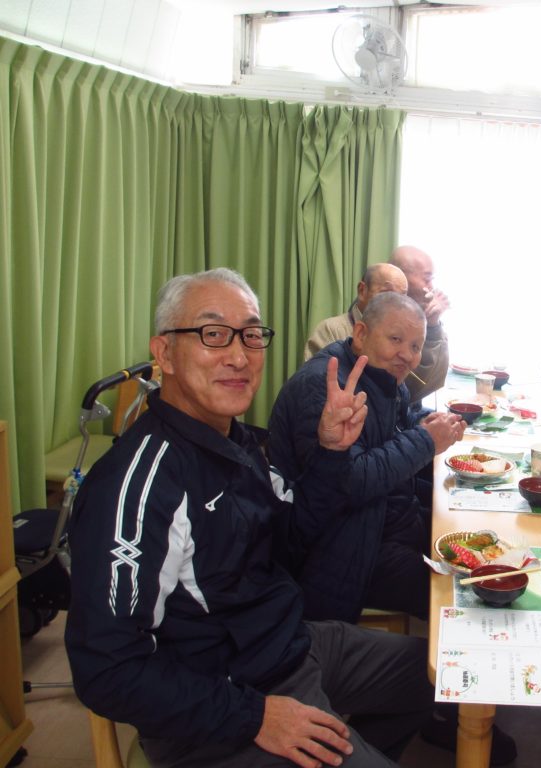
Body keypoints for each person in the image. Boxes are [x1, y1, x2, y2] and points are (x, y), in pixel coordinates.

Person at [65, 268, 433, 768]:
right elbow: (106, 671)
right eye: (213, 334)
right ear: (164, 353)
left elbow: (291, 538)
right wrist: (254, 716)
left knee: (435, 675)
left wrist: (331, 453)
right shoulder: (138, 484)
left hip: (288, 646)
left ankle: (347, 742)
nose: (239, 356)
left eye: (252, 335)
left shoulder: (236, 444)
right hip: (222, 705)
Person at [270, 292, 465, 624]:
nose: (407, 355)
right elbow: (347, 481)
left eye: (416, 346)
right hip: (342, 550)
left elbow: (394, 432)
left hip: (387, 520)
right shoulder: (324, 386)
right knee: (460, 592)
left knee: (471, 541)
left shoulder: (386, 378)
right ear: (360, 334)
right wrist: (425, 441)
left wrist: (428, 425)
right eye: (396, 340)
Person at [304, 262, 408, 360]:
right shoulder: (331, 330)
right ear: (362, 290)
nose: (395, 304)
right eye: (386, 294)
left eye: (402, 298)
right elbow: (315, 372)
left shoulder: (401, 338)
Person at [389, 245, 449, 404]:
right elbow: (412, 389)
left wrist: (433, 324)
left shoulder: (413, 319)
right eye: (427, 279)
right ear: (401, 277)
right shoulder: (378, 323)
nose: (431, 287)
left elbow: (435, 381)